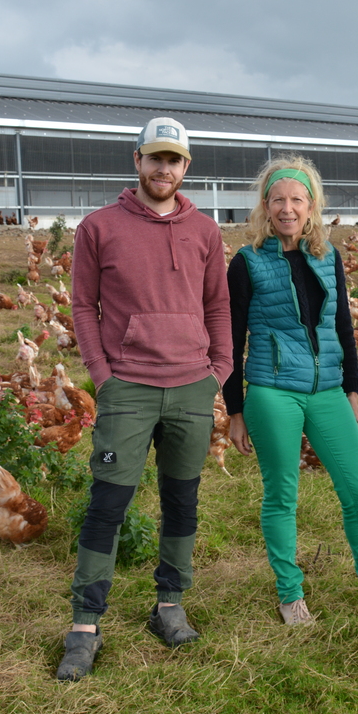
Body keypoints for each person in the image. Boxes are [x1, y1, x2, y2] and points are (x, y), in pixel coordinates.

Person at [56, 117, 232, 681]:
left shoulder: (205, 231)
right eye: (154, 158)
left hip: (190, 387)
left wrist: (219, 371)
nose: (164, 168)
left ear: (186, 167)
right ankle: (85, 623)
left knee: (182, 501)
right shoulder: (99, 227)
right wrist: (102, 374)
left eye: (174, 159)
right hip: (127, 387)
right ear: (136, 161)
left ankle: (169, 604)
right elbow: (84, 306)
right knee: (108, 503)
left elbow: (218, 307)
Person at [226, 155, 358, 625]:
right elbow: (231, 339)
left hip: (328, 390)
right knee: (282, 495)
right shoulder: (247, 261)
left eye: (297, 199)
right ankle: (291, 594)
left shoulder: (327, 255)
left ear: (312, 205)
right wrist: (235, 409)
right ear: (265, 205)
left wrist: (353, 389)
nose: (287, 208)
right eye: (278, 199)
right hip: (273, 390)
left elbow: (340, 325)